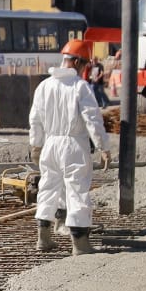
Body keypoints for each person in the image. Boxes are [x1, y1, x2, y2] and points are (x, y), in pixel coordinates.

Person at [28, 40, 111, 255]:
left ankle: (43, 239)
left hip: (50, 145)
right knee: (77, 191)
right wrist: (104, 147)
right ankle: (80, 244)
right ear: (76, 62)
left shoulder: (44, 86)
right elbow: (93, 120)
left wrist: (36, 146)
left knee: (47, 188)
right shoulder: (79, 87)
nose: (85, 70)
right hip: (73, 145)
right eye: (84, 65)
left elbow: (34, 119)